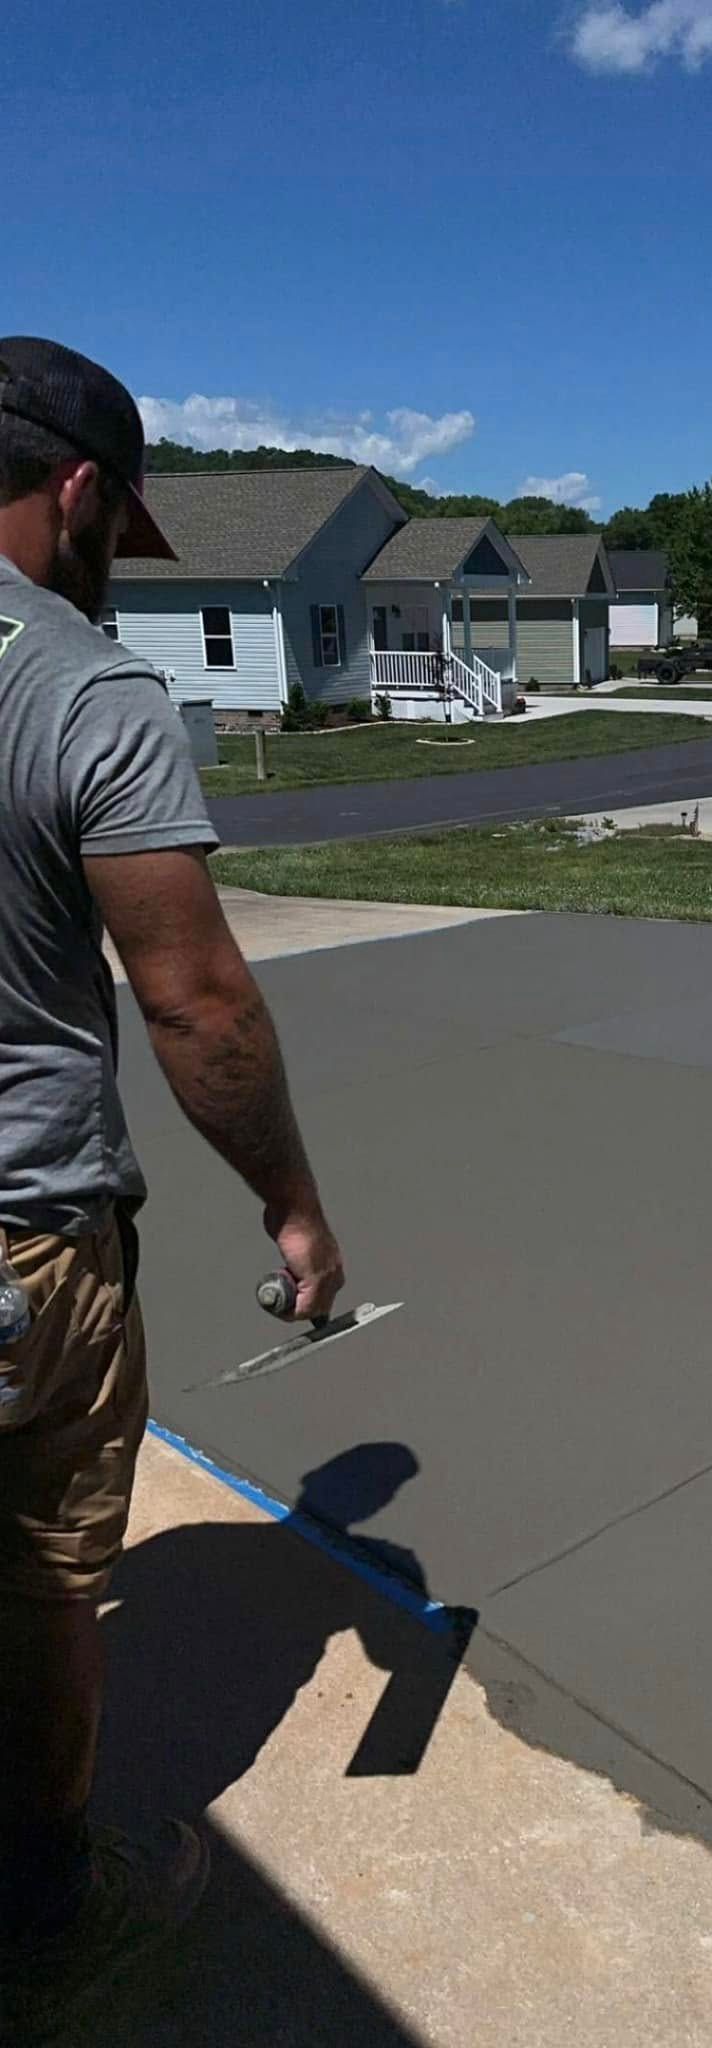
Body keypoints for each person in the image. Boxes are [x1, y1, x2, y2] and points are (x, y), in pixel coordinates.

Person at [0, 337, 345, 2040]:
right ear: (76, 491)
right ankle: (49, 1906)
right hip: (22, 1238)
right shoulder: (80, 688)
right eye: (107, 531)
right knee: (48, 1574)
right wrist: (289, 1200)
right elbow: (195, 997)